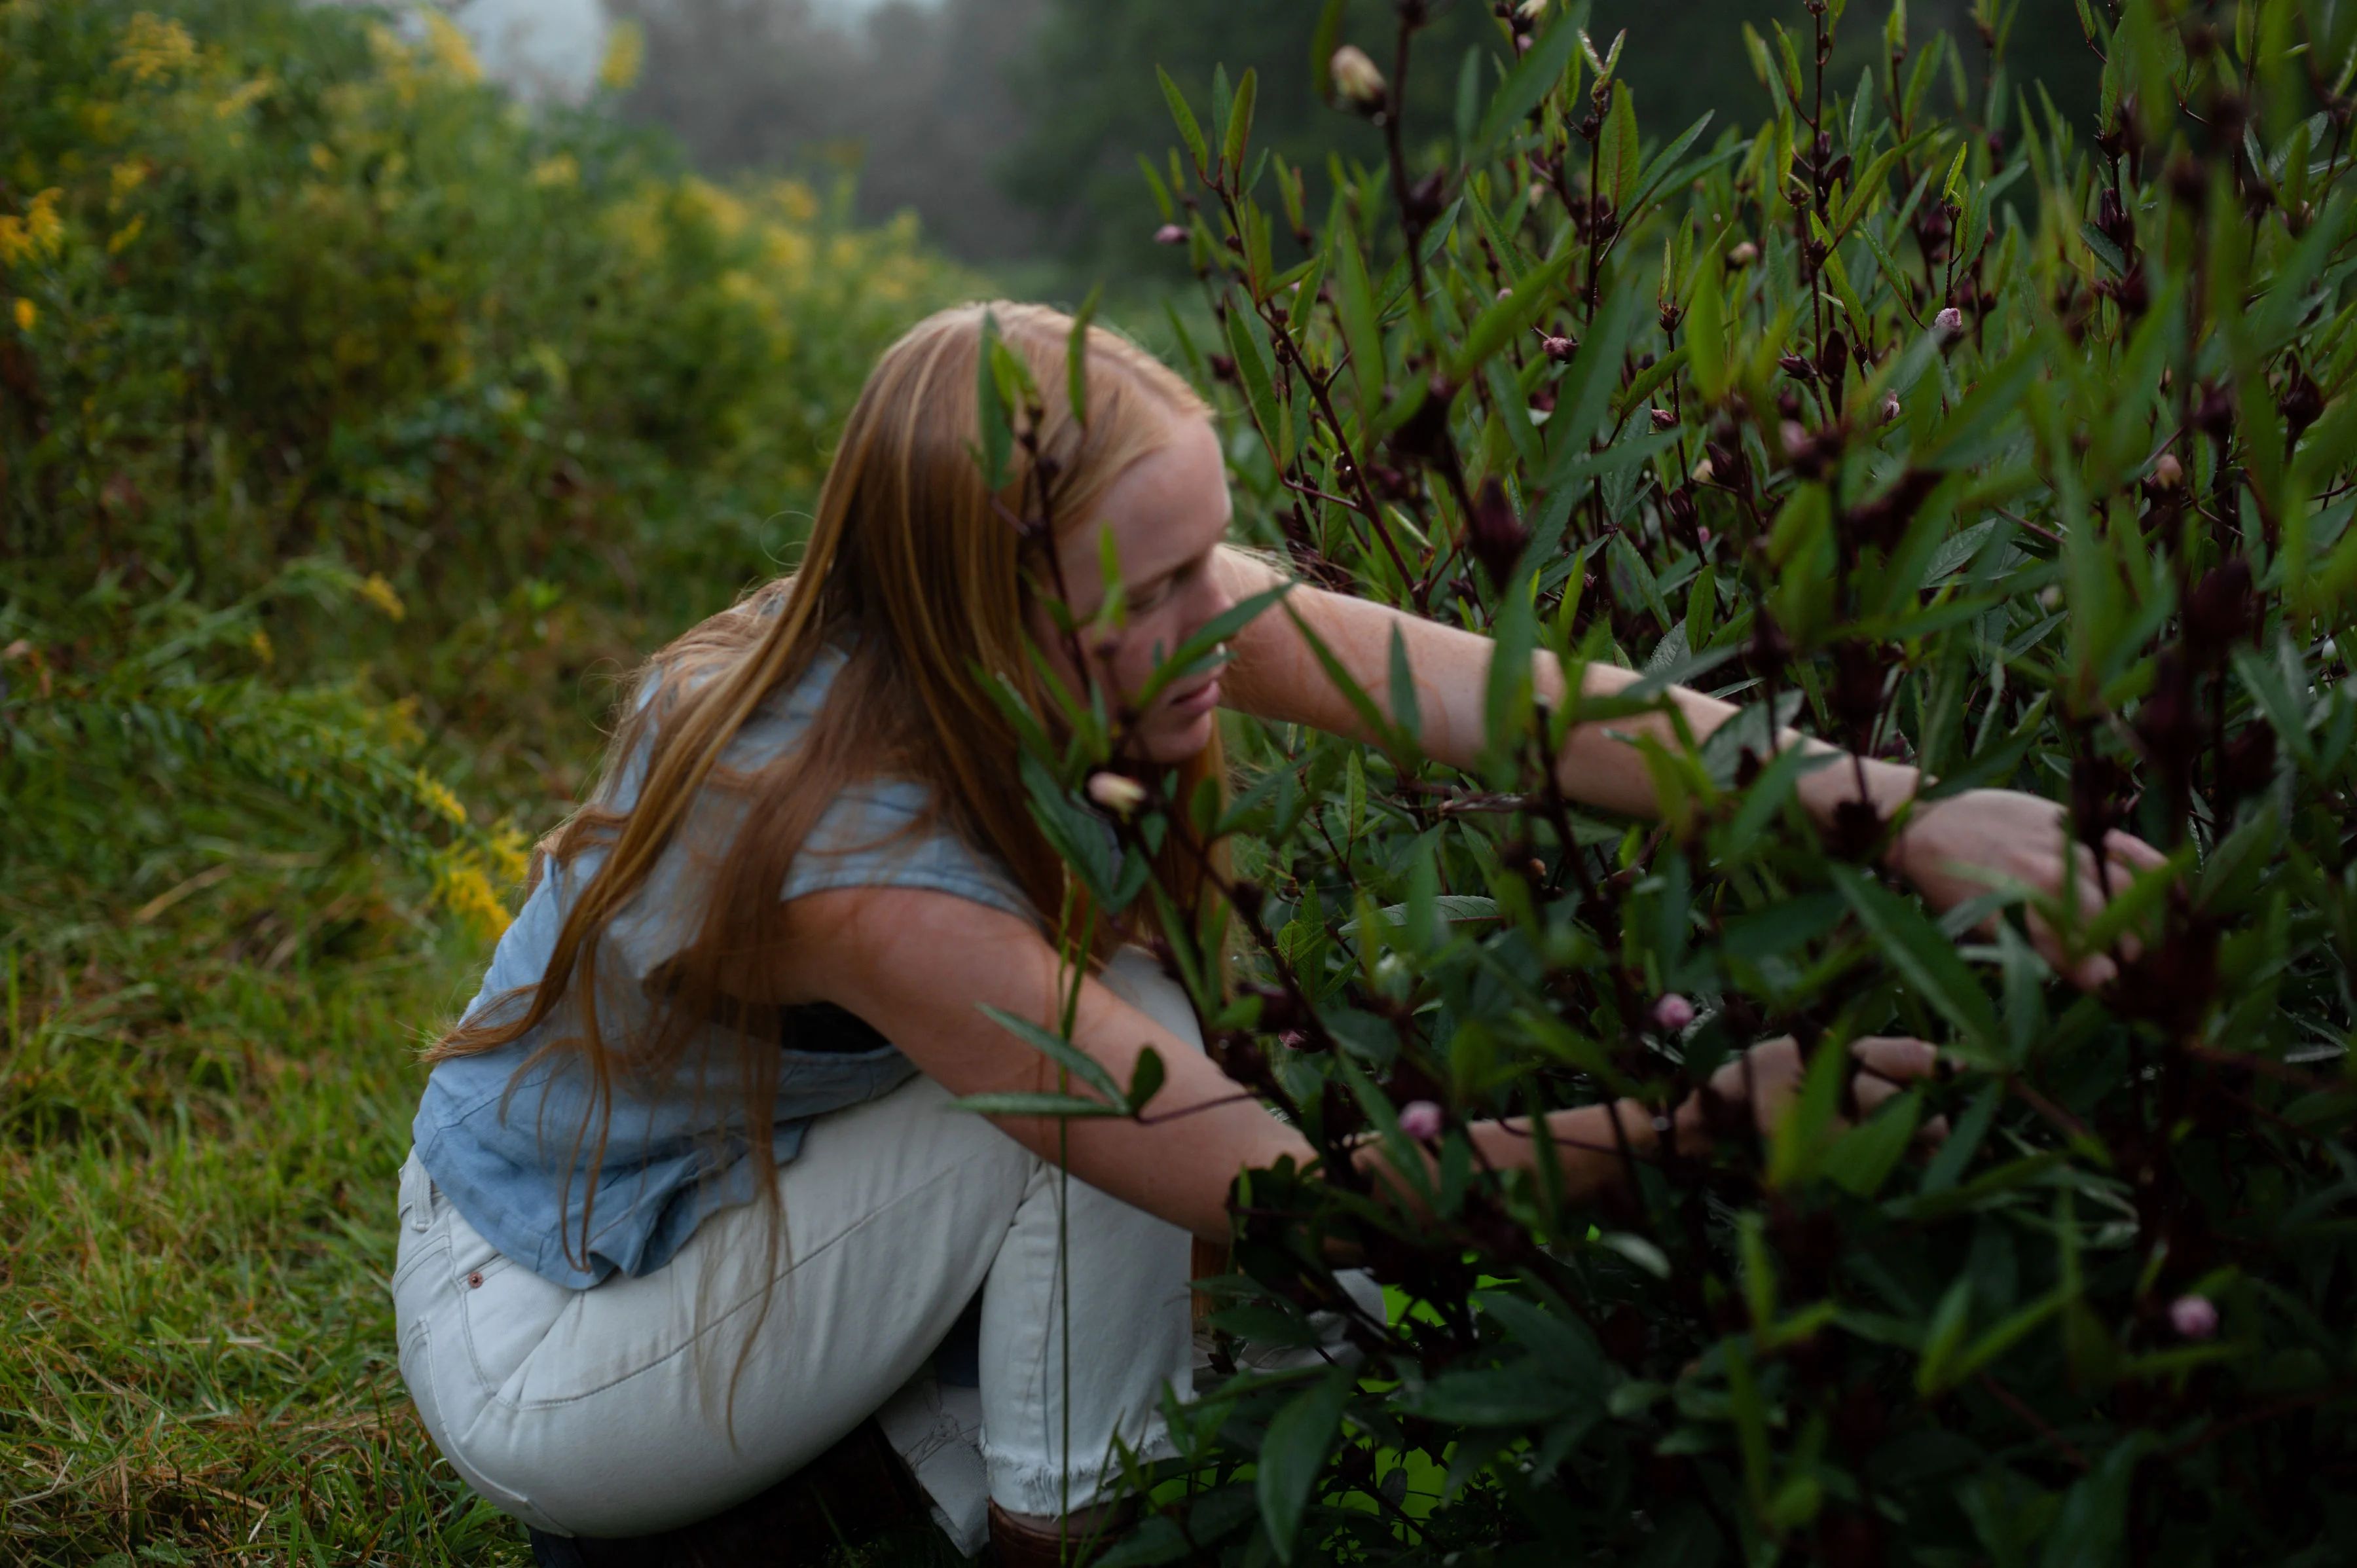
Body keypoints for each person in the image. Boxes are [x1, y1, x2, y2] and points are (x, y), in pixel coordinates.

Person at [391, 301, 2164, 1563]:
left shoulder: (1015, 611)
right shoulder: (855, 866)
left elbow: (1520, 710)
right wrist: (1700, 1130)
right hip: (550, 1326)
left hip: (729, 1184)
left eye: (1211, 564)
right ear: (1001, 603)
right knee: (1103, 1101)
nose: (1212, 623)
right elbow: (1287, 1192)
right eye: (1160, 591)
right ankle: (1053, 1520)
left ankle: (882, 1450)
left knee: (1127, 1086)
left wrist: (1902, 808)